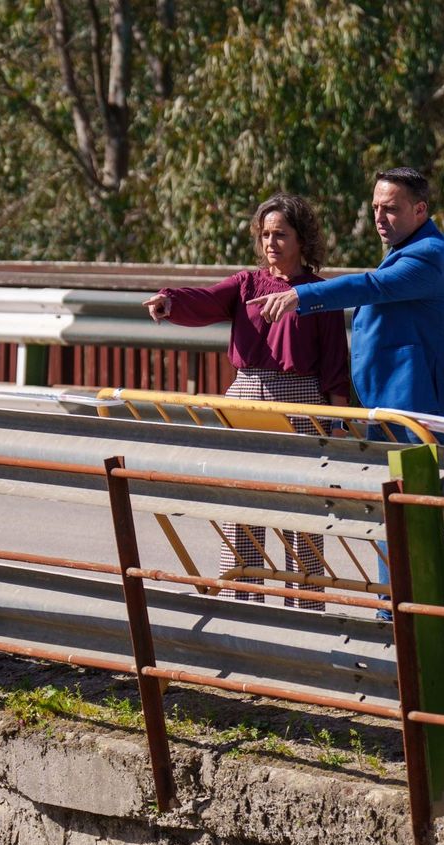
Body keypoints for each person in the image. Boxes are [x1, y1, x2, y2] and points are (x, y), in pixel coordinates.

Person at [248, 167, 444, 605]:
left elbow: (373, 287)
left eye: (391, 208)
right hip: (389, 411)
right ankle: (397, 615)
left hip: (420, 414)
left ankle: (437, 626)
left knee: (426, 525)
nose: (380, 217)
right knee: (394, 520)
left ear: (420, 209)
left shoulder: (428, 254)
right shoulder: (404, 248)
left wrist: (302, 296)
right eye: (375, 208)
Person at [144, 193, 349, 609]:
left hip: (299, 401)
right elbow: (205, 299)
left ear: (301, 239)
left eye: (281, 234)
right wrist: (170, 301)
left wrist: (338, 421)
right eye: (265, 234)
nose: (271, 242)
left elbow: (334, 361)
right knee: (241, 502)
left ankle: (306, 608)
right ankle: (243, 603)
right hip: (244, 395)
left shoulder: (318, 294)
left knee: (302, 510)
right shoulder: (247, 284)